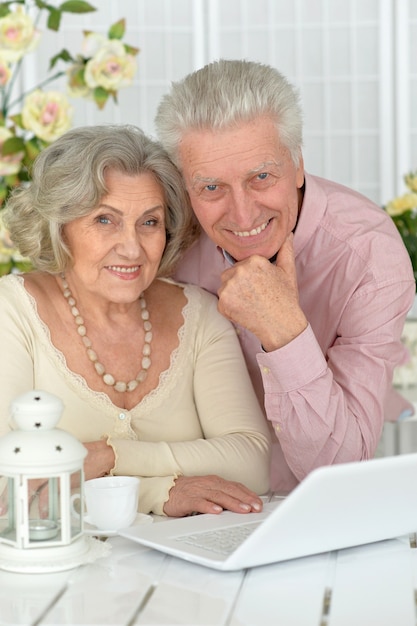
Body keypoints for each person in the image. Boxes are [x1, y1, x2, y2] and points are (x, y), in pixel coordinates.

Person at [154, 59, 416, 494]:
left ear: (296, 164)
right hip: (188, 503)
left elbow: (338, 470)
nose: (242, 214)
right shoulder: (165, 236)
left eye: (261, 176)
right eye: (211, 188)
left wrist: (284, 331)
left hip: (309, 510)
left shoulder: (369, 259)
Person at [0, 124, 271, 517]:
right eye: (105, 220)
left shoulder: (199, 315)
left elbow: (252, 463)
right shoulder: (14, 309)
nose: (131, 249)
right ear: (60, 228)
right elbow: (12, 487)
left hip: (189, 565)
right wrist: (159, 493)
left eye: (149, 222)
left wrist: (111, 456)